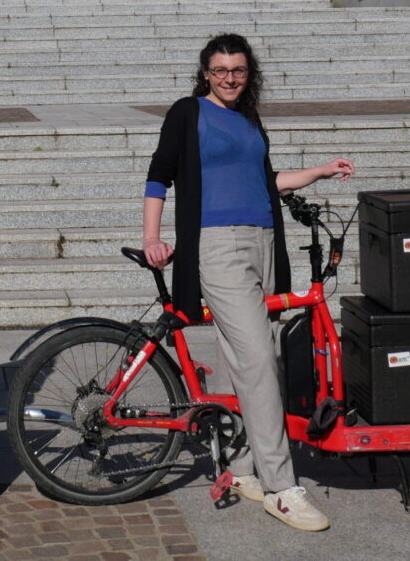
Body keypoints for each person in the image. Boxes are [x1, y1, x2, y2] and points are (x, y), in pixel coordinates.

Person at [142, 33, 354, 532]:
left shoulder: (249, 120)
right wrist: (152, 237)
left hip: (263, 240)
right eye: (220, 70)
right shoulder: (188, 113)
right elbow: (159, 175)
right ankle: (282, 488)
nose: (229, 78)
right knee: (258, 358)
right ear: (206, 73)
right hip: (217, 245)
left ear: (248, 73)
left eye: (237, 70)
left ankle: (240, 468)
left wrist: (321, 171)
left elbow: (265, 180)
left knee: (248, 356)